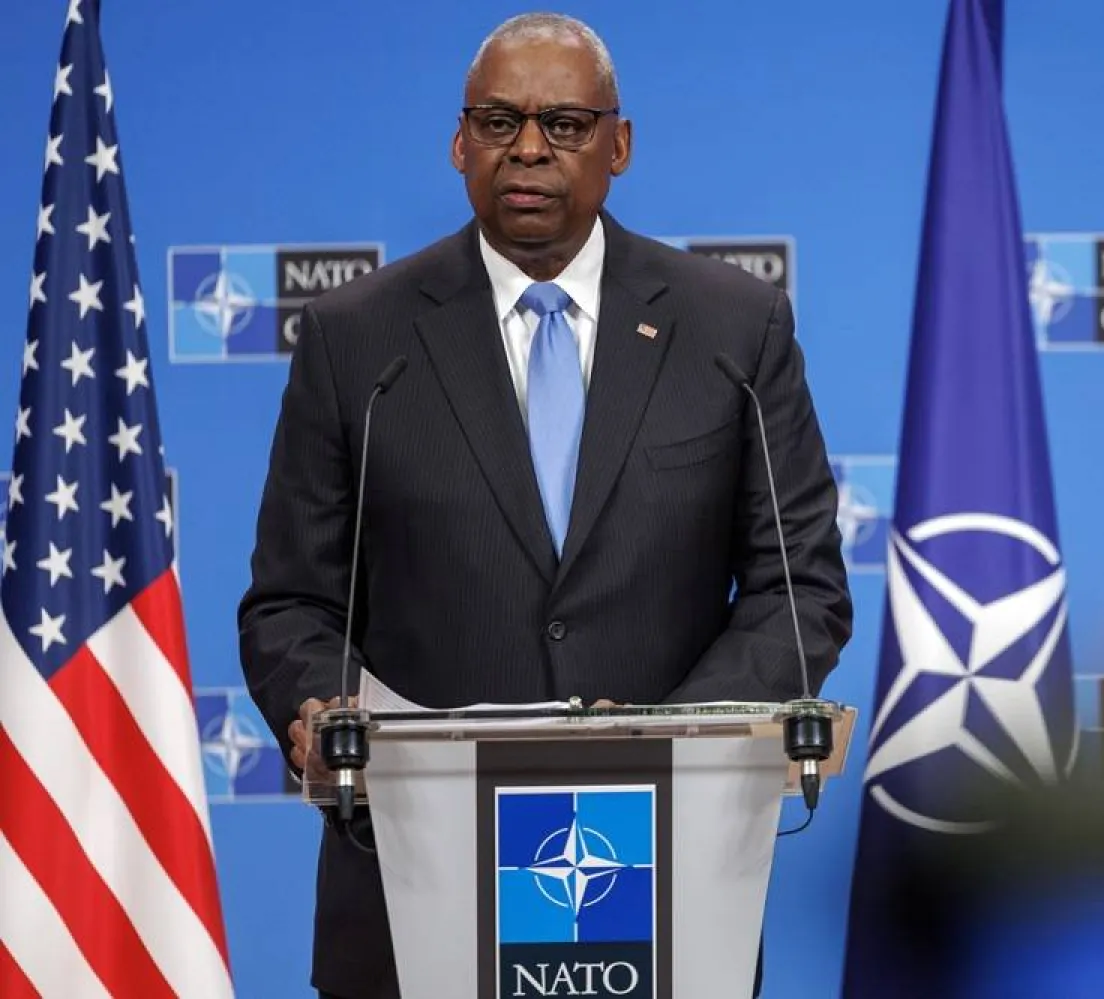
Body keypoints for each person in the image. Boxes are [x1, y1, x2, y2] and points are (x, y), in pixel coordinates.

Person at [236, 11, 853, 999]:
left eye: (564, 123)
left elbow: (800, 586)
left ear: (620, 144)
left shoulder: (734, 329)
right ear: (459, 143)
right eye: (498, 121)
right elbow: (291, 605)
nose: (528, 148)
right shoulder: (357, 340)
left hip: (663, 873)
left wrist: (659, 745)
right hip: (414, 877)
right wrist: (322, 704)